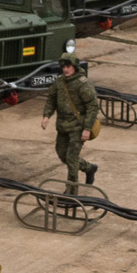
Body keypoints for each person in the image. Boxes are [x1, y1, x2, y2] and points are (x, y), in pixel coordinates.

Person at [40, 52, 100, 191]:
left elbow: (92, 106)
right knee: (62, 154)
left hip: (78, 126)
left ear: (74, 66)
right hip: (63, 126)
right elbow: (51, 99)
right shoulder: (59, 81)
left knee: (72, 158)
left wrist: (87, 128)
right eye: (63, 67)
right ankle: (89, 168)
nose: (65, 69)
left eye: (68, 66)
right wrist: (46, 115)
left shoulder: (82, 84)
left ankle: (71, 193)